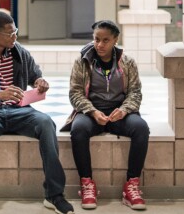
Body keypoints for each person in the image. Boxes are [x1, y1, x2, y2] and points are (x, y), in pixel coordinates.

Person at [0, 10, 74, 214]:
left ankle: (54, 194)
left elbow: (35, 75)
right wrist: (0, 95)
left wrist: (39, 82)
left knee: (46, 123)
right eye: (10, 33)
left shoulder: (18, 50)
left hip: (18, 110)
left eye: (15, 31)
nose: (15, 36)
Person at [62, 20, 150, 210]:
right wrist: (92, 111)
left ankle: (131, 185)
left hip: (120, 112)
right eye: (96, 39)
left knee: (141, 128)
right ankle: (87, 184)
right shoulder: (83, 61)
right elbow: (75, 93)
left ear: (115, 40)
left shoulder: (127, 62)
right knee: (78, 129)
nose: (100, 45)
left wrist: (125, 110)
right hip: (92, 111)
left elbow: (135, 92)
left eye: (105, 40)